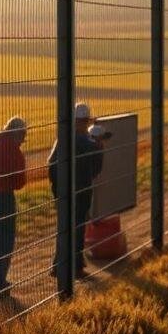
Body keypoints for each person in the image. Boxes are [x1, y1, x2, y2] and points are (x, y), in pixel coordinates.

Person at [47, 102, 103, 279]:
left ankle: (58, 265)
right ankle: (76, 267)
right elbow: (96, 169)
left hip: (64, 192)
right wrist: (100, 146)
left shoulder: (63, 139)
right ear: (85, 121)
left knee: (64, 228)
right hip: (81, 191)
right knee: (78, 229)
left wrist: (57, 189)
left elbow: (51, 165)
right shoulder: (88, 142)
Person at [0, 116, 27, 294]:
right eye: (23, 136)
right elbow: (19, 182)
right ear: (18, 134)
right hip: (4, 198)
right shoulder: (14, 152)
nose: (23, 141)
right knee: (5, 239)